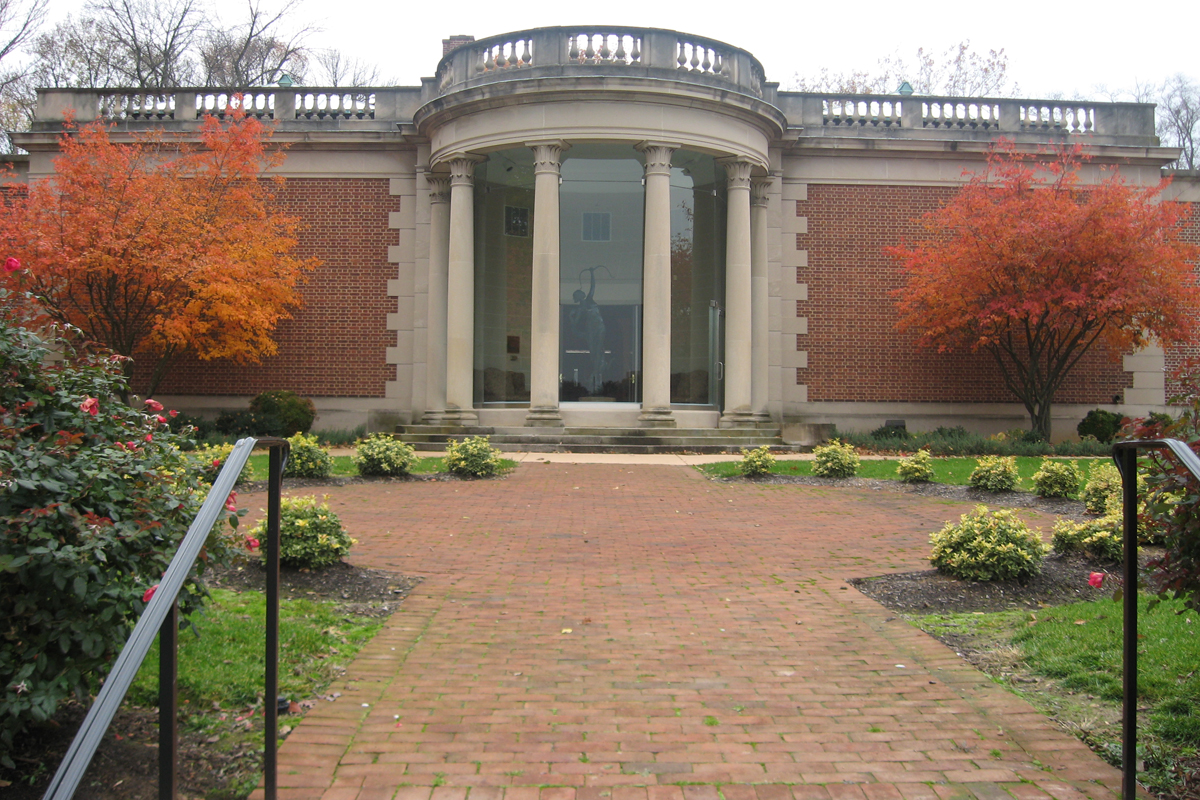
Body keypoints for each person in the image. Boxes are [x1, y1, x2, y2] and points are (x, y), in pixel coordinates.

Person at [570, 266, 608, 393]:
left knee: (599, 351)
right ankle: (596, 380)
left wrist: (592, 274)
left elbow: (592, 287)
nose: (580, 296)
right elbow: (574, 325)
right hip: (591, 331)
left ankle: (597, 378)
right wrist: (571, 317)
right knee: (594, 354)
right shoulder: (580, 309)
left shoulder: (589, 300)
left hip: (599, 328)